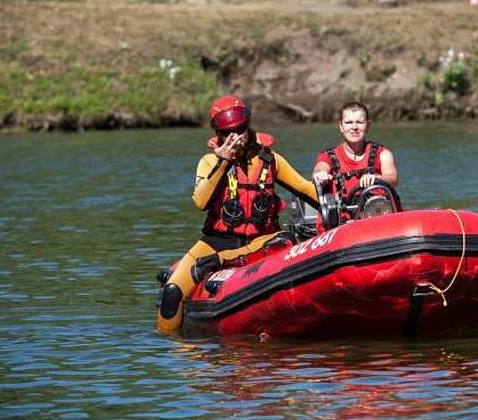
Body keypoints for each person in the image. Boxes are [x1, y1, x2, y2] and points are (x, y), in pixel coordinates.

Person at [157, 95, 319, 333]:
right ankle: (175, 349)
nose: (237, 137)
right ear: (219, 134)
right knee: (172, 293)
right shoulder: (208, 162)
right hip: (215, 242)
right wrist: (224, 161)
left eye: (241, 130)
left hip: (261, 240)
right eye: (229, 132)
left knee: (281, 241)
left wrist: (343, 203)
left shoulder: (270, 160)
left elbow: (306, 189)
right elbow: (200, 202)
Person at [312, 101, 398, 203]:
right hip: (343, 217)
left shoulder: (383, 154)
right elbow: (320, 168)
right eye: (348, 123)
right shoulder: (327, 156)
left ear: (368, 125)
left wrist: (376, 178)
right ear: (341, 126)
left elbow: (393, 179)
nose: (354, 127)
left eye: (360, 122)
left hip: (377, 212)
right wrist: (320, 174)